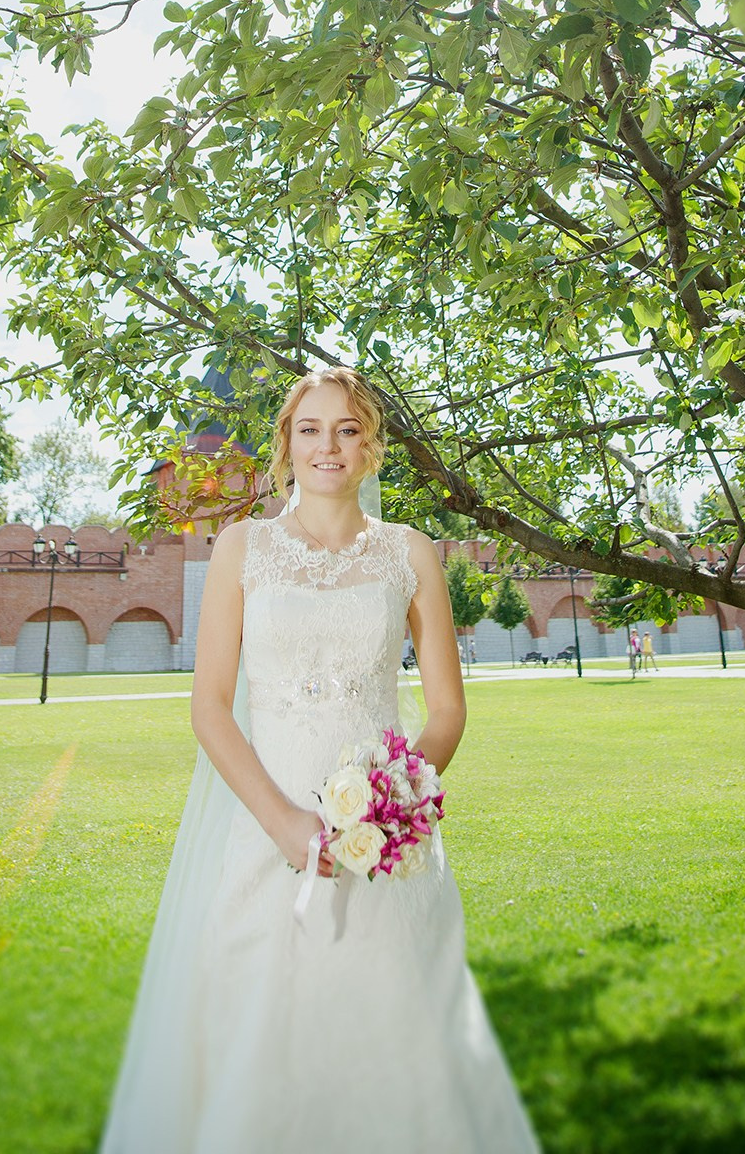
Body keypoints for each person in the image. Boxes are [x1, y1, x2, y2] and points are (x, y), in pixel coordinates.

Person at [100, 366, 540, 1154]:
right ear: (285, 444)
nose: (327, 446)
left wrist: (389, 803)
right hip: (265, 835)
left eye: (346, 430)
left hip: (385, 847)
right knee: (263, 1036)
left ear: (370, 445)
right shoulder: (243, 548)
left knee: (399, 1034)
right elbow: (209, 708)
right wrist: (283, 826)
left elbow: (445, 710)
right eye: (310, 429)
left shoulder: (410, 553)